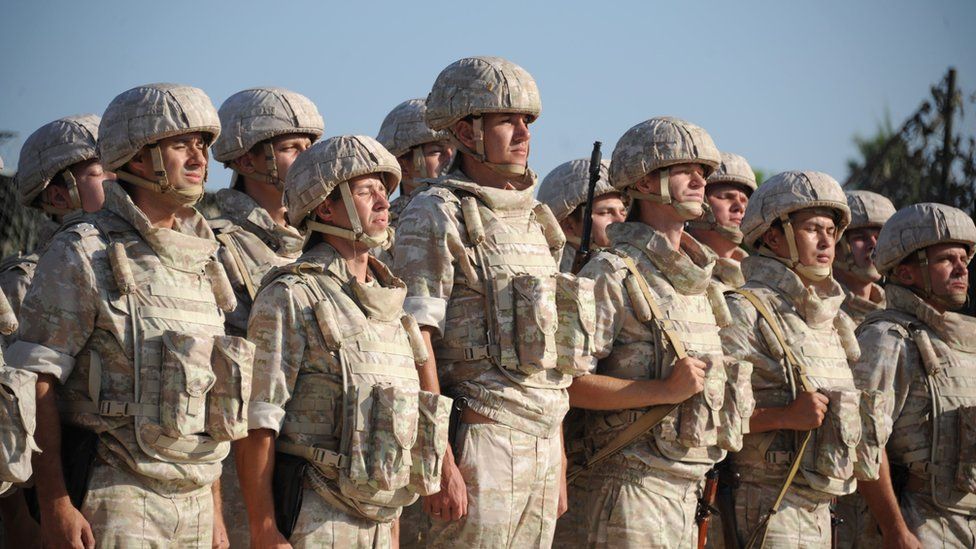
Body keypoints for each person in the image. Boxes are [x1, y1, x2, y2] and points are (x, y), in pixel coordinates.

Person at [5, 83, 253, 548]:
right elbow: (36, 382)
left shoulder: (205, 258)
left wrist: (217, 513)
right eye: (181, 146)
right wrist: (56, 502)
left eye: (202, 145)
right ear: (137, 159)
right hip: (115, 494)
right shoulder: (84, 251)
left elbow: (205, 398)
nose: (199, 159)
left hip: (196, 499)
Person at [237, 135, 450, 547]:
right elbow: (259, 422)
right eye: (365, 191)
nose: (384, 202)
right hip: (317, 517)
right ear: (325, 206)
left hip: (381, 522)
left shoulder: (393, 305)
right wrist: (263, 527)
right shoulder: (292, 296)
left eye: (384, 191)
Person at [393, 56, 572, 548]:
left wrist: (555, 455)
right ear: (466, 132)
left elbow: (551, 356)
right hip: (480, 437)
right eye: (506, 120)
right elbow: (415, 341)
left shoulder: (538, 220)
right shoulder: (436, 212)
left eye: (528, 121)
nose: (523, 132)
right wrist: (439, 460)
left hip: (541, 437)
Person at [565, 117, 753, 547]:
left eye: (703, 171)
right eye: (683, 169)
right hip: (629, 487)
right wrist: (663, 391)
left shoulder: (702, 283)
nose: (699, 180)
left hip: (688, 491)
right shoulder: (612, 272)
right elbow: (570, 384)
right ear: (645, 184)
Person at [721, 171, 886, 547]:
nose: (827, 240)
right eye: (813, 228)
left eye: (832, 230)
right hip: (765, 504)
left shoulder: (832, 320)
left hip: (823, 510)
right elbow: (709, 416)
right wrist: (783, 417)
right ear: (773, 236)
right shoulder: (745, 310)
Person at [209, 87, 323, 548]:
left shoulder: (331, 242)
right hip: (253, 466)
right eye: (292, 149)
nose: (309, 160)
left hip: (325, 462)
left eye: (311, 148)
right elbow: (228, 380)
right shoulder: (221, 246)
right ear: (246, 161)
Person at [855, 203, 976, 548]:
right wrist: (895, 530)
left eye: (964, 259)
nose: (961, 268)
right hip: (920, 524)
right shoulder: (889, 338)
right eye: (946, 260)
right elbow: (864, 443)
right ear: (906, 273)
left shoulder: (965, 341)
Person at [537, 158, 627, 273]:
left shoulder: (634, 268)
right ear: (568, 226)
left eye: (623, 212)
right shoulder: (544, 274)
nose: (620, 220)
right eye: (605, 213)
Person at [687, 151, 757, 291]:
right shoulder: (677, 264)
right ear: (699, 201)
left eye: (744, 201)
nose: (740, 207)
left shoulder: (756, 278)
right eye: (726, 197)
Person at [832, 190, 897, 324]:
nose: (874, 245)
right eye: (860, 238)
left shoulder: (895, 310)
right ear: (835, 246)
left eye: (879, 238)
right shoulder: (820, 311)